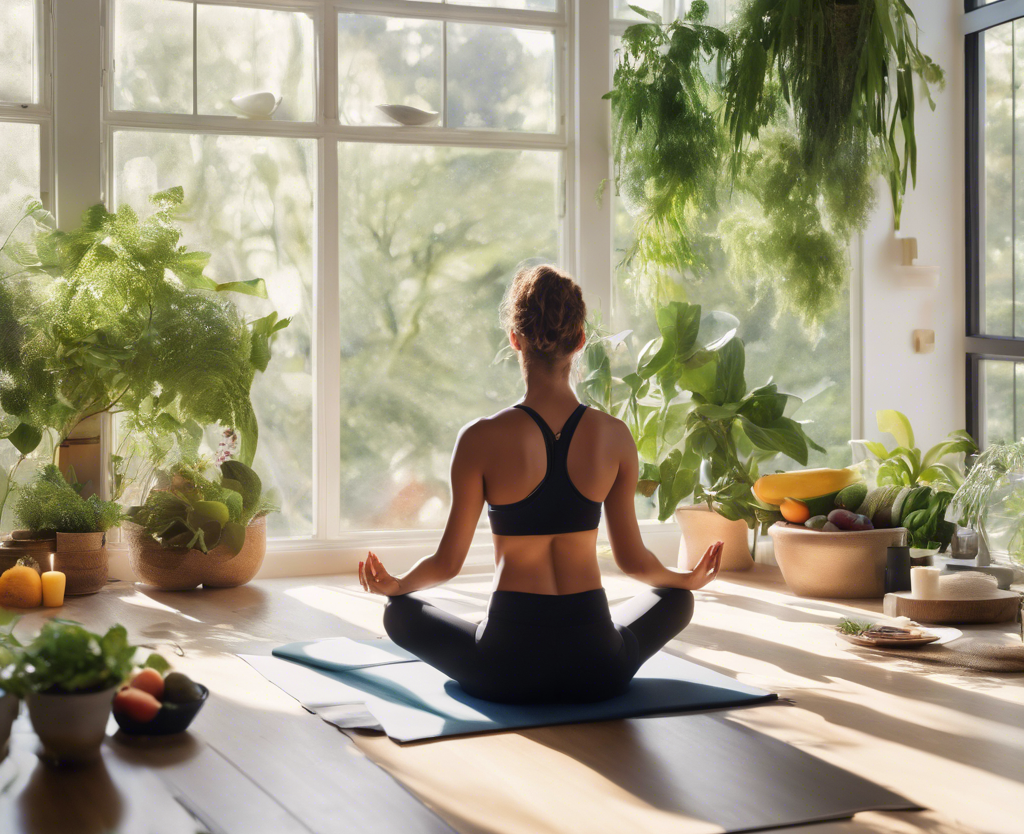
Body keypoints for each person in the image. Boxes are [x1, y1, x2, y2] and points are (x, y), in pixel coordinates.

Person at [358, 264, 722, 704]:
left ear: (514, 339)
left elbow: (447, 563)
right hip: (598, 666)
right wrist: (687, 578)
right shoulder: (614, 436)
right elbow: (635, 562)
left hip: (503, 668)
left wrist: (396, 585)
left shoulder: (479, 438)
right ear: (581, 340)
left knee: (400, 615)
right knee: (677, 599)